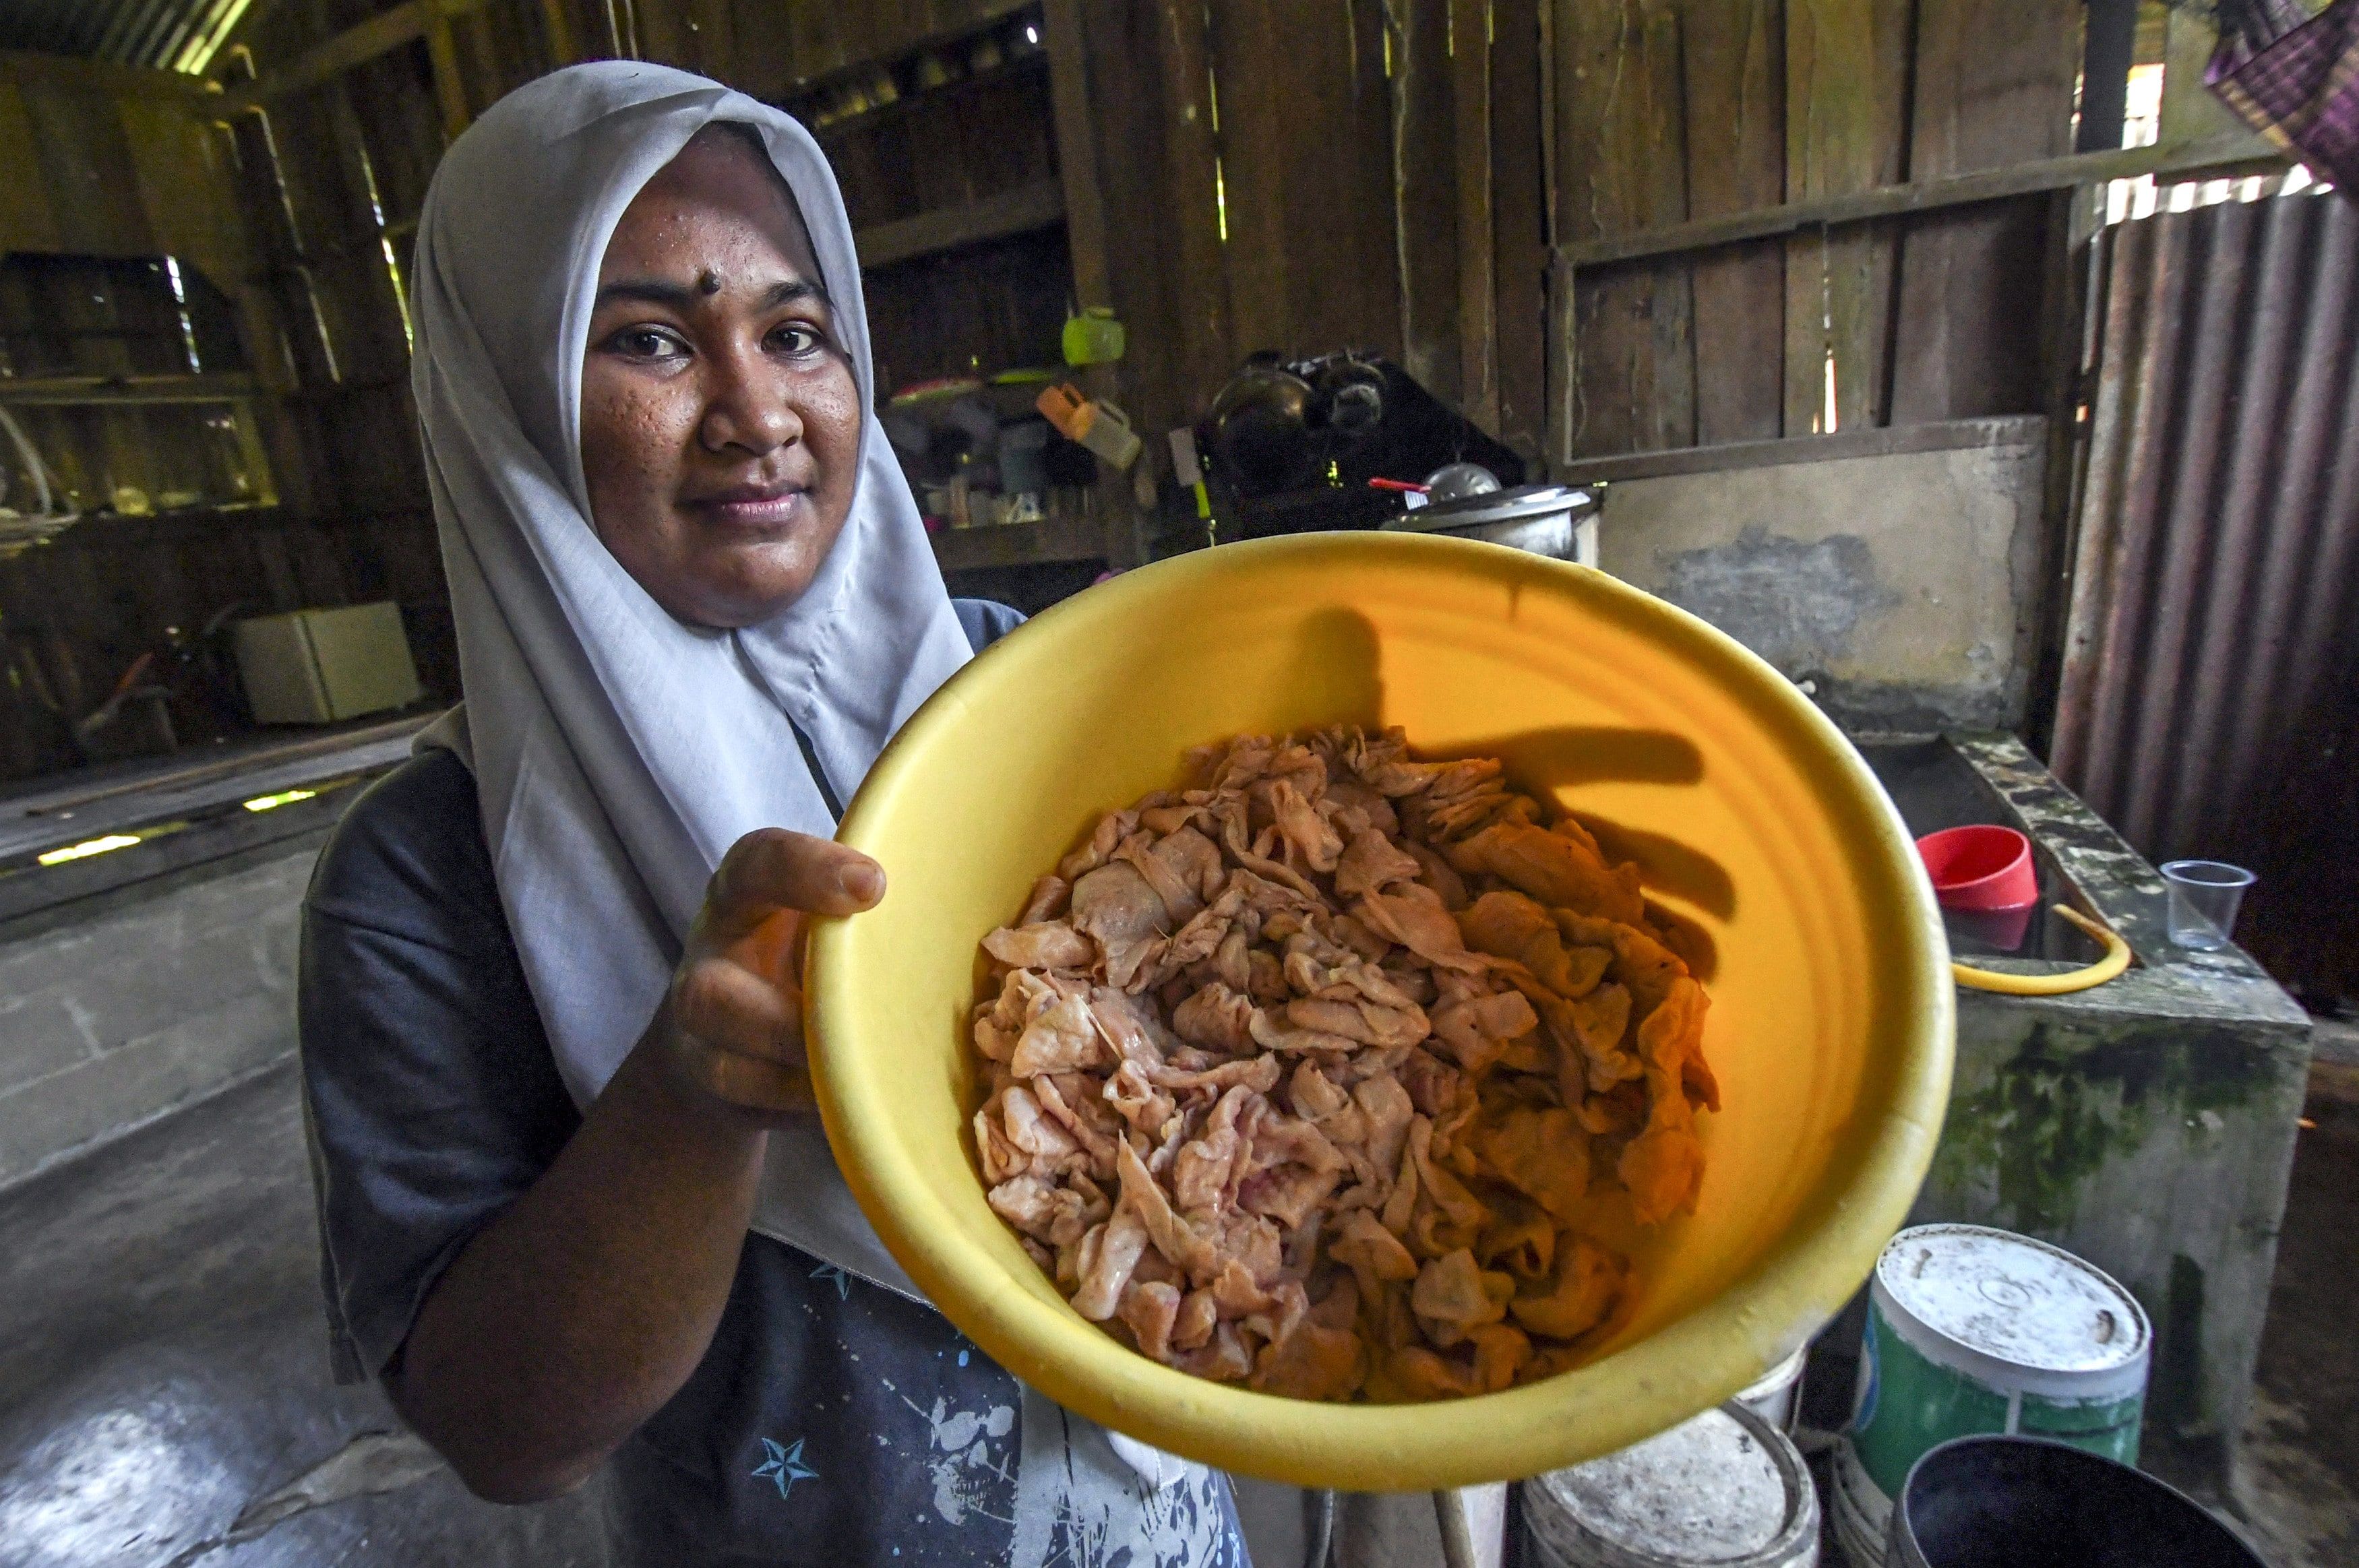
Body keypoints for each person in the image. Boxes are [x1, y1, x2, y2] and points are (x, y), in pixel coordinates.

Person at [297, 62, 1249, 1567]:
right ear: (509, 393)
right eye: (653, 341)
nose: (757, 413)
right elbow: (507, 1436)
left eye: (796, 333)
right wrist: (692, 1095)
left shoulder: (1018, 688)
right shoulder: (426, 875)